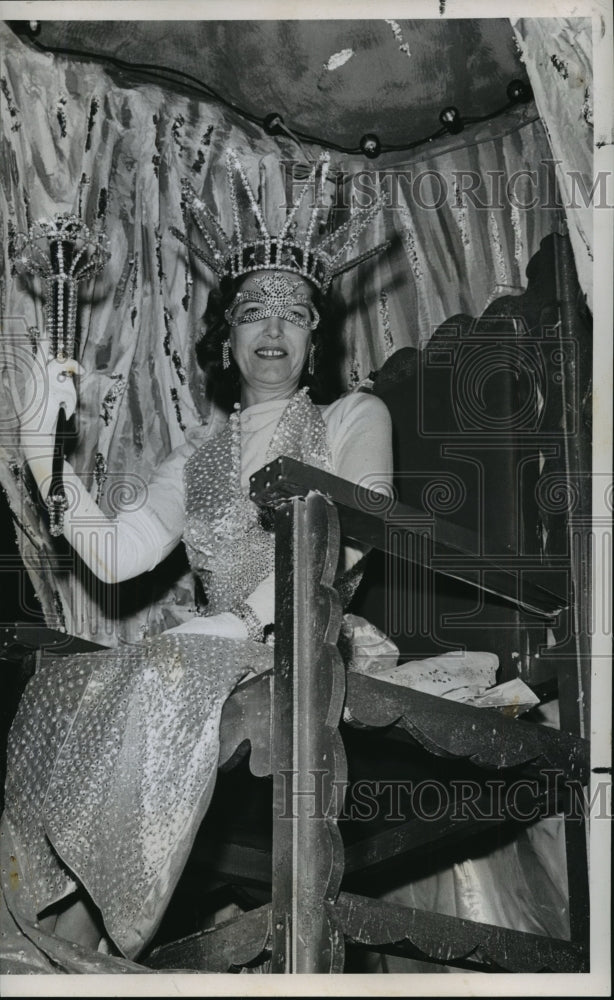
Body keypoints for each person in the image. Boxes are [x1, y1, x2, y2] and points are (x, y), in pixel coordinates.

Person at [0, 150, 396, 972]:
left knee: (168, 665)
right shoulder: (201, 456)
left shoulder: (356, 414)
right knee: (64, 678)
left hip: (306, 634)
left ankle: (104, 933)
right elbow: (117, 559)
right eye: (254, 312)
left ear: (316, 335)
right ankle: (46, 910)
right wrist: (47, 461)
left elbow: (361, 528)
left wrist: (248, 615)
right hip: (212, 645)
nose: (274, 329)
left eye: (294, 312)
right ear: (227, 339)